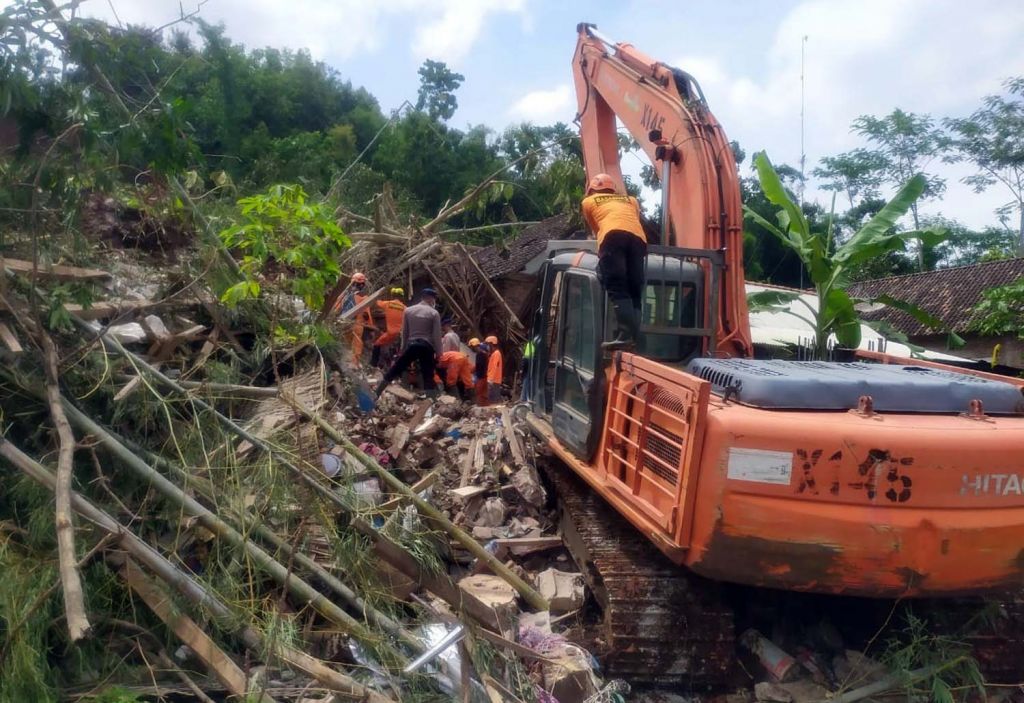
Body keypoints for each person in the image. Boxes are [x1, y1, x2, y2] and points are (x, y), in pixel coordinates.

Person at [581, 173, 648, 349]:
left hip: (611, 236)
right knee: (634, 287)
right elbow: (633, 221)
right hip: (638, 239)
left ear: (592, 189)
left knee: (617, 284)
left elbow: (596, 229)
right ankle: (636, 337)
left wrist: (602, 254)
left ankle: (625, 335)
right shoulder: (631, 200)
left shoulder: (588, 202)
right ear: (613, 188)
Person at [375, 288, 443, 398]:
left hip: (412, 344)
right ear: (431, 298)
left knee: (397, 368)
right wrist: (439, 353)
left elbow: (405, 332)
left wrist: (402, 349)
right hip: (427, 346)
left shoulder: (409, 310)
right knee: (428, 374)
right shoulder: (434, 313)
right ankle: (430, 403)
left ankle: (377, 392)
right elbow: (437, 335)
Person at [340, 272, 375, 361]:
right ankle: (354, 364)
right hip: (357, 325)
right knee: (356, 345)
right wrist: (371, 327)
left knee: (345, 344)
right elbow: (366, 314)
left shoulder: (344, 296)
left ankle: (344, 361)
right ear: (362, 285)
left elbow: (337, 308)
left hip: (343, 324)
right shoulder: (364, 298)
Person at [371, 287, 407, 368]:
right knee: (398, 352)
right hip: (400, 335)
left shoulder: (388, 303)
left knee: (377, 344)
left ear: (392, 295)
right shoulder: (405, 308)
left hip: (390, 333)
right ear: (402, 297)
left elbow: (376, 302)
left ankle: (373, 365)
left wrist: (378, 295)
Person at [469, 337, 490, 406]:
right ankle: (485, 408)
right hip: (484, 376)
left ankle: (480, 407)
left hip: (481, 377)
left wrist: (474, 371)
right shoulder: (483, 353)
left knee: (479, 393)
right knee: (484, 394)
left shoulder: (480, 354)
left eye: (471, 347)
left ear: (474, 346)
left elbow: (479, 366)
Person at [519, 335, 538, 402]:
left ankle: (524, 398)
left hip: (529, 365)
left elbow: (526, 358)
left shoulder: (530, 345)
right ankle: (528, 398)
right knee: (530, 382)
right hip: (533, 365)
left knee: (526, 381)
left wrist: (522, 369)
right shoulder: (536, 344)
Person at [485, 335, 503, 403]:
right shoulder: (494, 354)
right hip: (493, 380)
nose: (487, 346)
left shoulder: (496, 354)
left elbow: (494, 367)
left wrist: (490, 379)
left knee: (493, 401)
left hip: (494, 380)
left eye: (488, 344)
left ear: (491, 344)